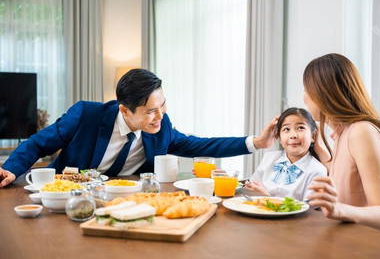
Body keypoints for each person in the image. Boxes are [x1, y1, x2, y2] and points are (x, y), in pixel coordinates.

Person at [0, 69, 278, 187]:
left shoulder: (161, 125)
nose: (160, 116)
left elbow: (200, 145)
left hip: (126, 204)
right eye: (151, 111)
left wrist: (256, 142)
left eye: (163, 106)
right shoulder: (86, 115)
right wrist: (11, 170)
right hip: (71, 202)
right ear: (125, 110)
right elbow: (38, 143)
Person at [303, 53, 380, 241]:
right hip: (360, 240)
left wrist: (338, 209)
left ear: (323, 92)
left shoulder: (361, 132)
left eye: (307, 89)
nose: (304, 97)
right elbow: (352, 180)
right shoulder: (344, 134)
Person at [244, 107, 327, 200]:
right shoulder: (270, 158)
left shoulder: (317, 170)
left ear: (313, 135)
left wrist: (268, 198)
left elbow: (309, 210)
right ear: (279, 137)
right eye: (286, 129)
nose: (293, 135)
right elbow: (251, 189)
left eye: (300, 128)